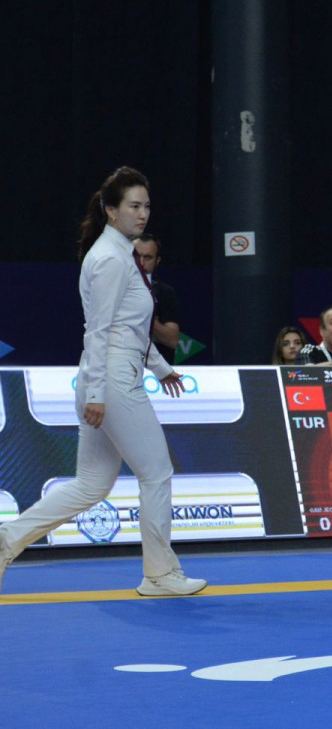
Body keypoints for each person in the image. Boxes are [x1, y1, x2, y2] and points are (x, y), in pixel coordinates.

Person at [0, 167, 206, 596]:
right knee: (157, 472)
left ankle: (6, 540)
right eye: (134, 205)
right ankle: (159, 575)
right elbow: (99, 331)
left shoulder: (119, 253)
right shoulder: (110, 258)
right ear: (111, 211)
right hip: (111, 383)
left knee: (91, 485)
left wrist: (162, 369)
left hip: (109, 376)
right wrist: (96, 394)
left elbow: (126, 331)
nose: (143, 213)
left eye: (147, 205)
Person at [133, 233, 182, 361]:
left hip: (157, 373)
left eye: (148, 257)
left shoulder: (165, 293)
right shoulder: (113, 290)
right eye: (137, 256)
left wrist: (144, 314)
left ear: (157, 261)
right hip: (121, 369)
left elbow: (172, 340)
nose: (141, 263)